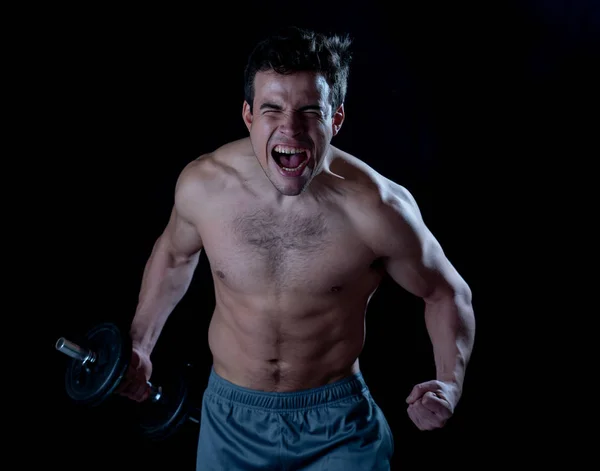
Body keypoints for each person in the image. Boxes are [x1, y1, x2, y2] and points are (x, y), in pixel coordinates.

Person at [117, 26, 475, 470]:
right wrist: (140, 345)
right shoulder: (204, 186)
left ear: (336, 119)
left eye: (310, 111)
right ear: (248, 115)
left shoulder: (379, 208)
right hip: (230, 419)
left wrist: (449, 384)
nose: (290, 128)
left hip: (337, 424)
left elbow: (447, 293)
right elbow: (174, 256)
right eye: (272, 109)